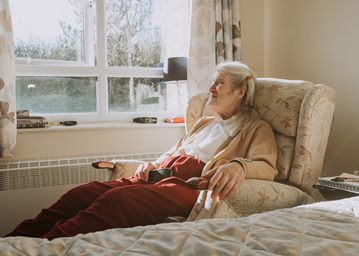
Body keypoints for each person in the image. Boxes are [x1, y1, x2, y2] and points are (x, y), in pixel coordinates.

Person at [5, 61, 277, 240]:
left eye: (219, 83)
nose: (211, 89)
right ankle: (13, 240)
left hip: (189, 186)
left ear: (240, 91)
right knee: (81, 194)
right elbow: (174, 150)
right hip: (159, 176)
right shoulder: (206, 122)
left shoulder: (256, 127)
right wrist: (151, 164)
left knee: (117, 201)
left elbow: (266, 166)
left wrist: (239, 166)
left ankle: (42, 246)